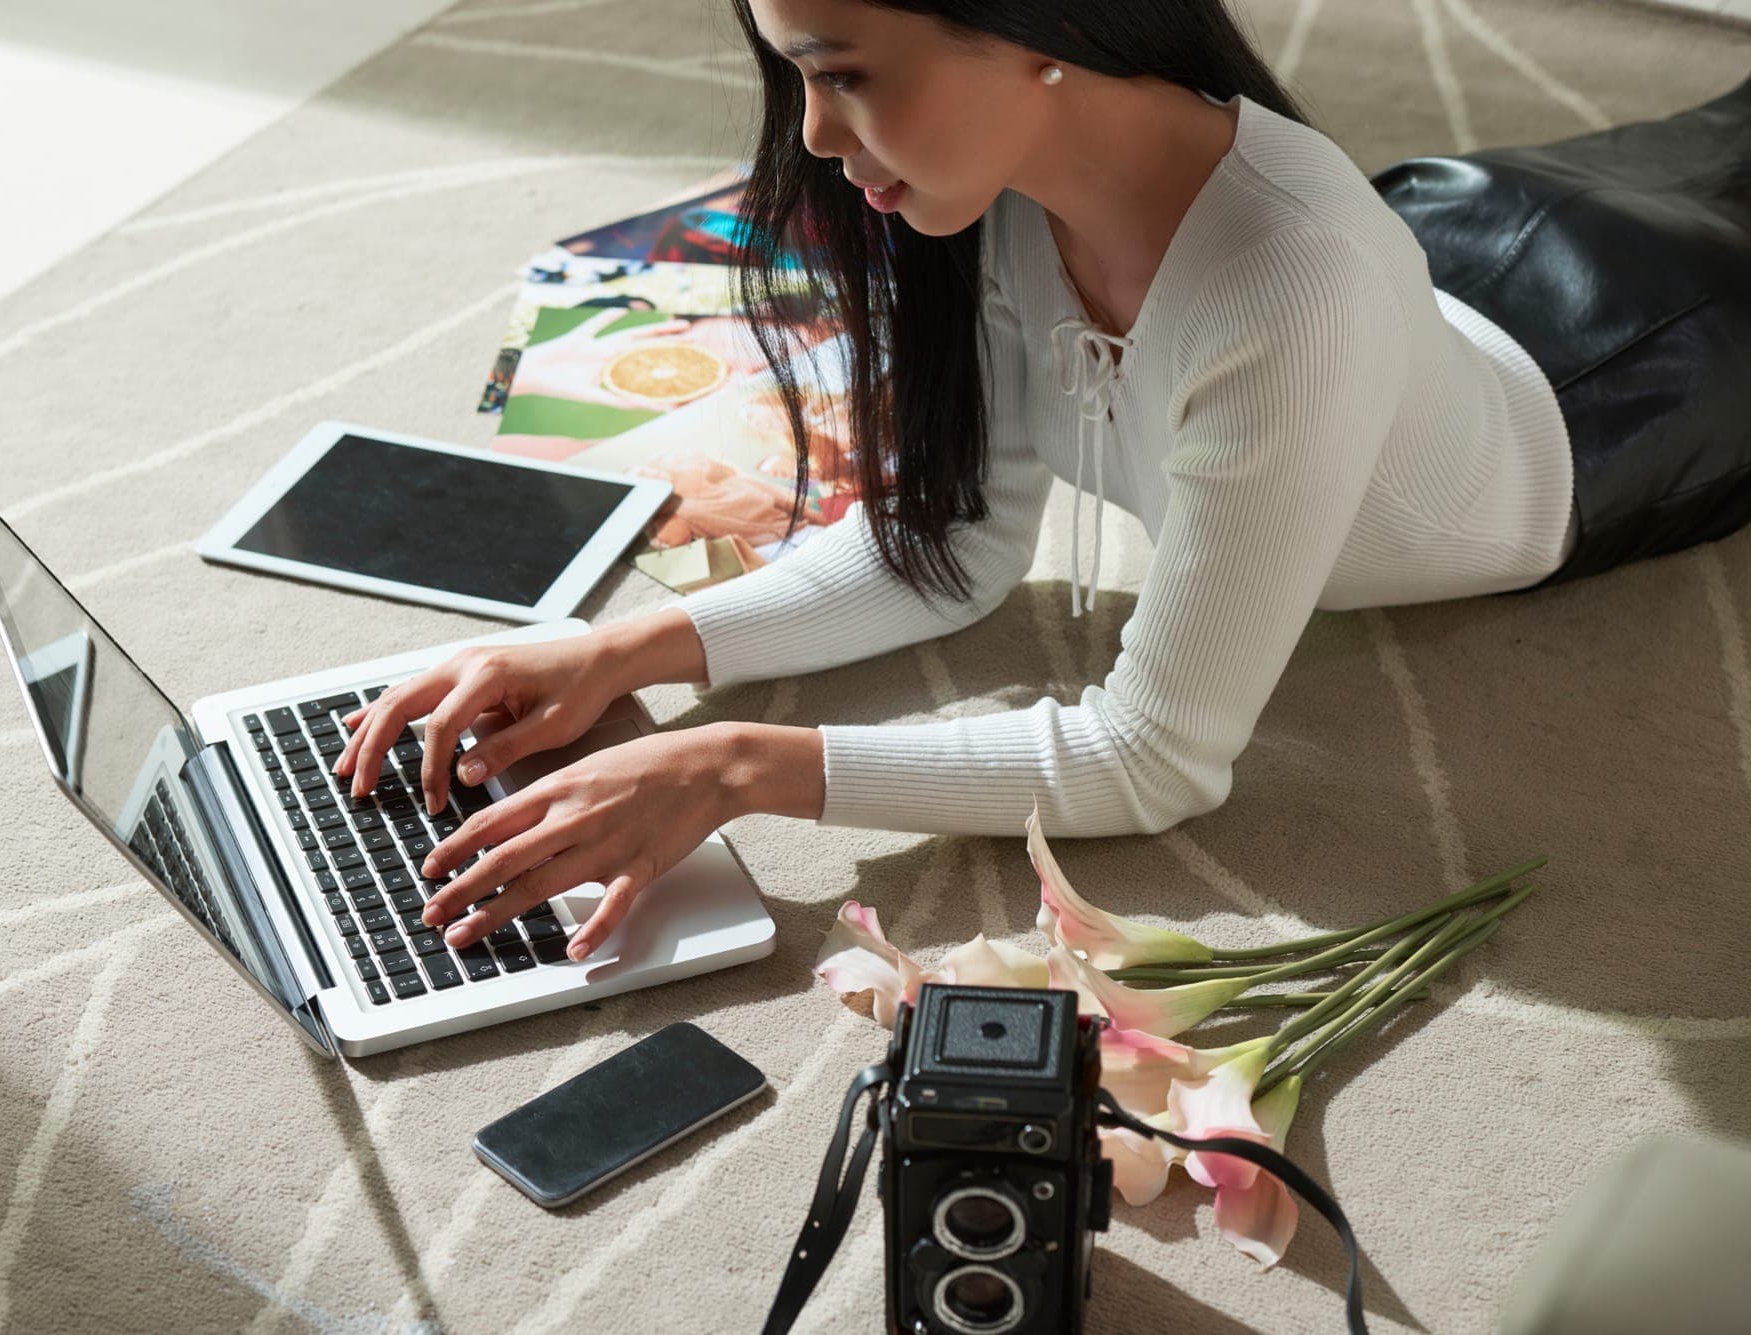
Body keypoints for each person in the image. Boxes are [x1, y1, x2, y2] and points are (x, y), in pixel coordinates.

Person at [334, 1, 1751, 963]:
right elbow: (938, 553)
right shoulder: (996, 189)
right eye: (798, 77)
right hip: (1455, 231)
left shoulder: (1290, 284)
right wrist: (612, 648)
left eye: (847, 72)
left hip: (1631, 383)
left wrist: (733, 764)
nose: (818, 136)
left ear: (1035, 27)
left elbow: (1155, 760)